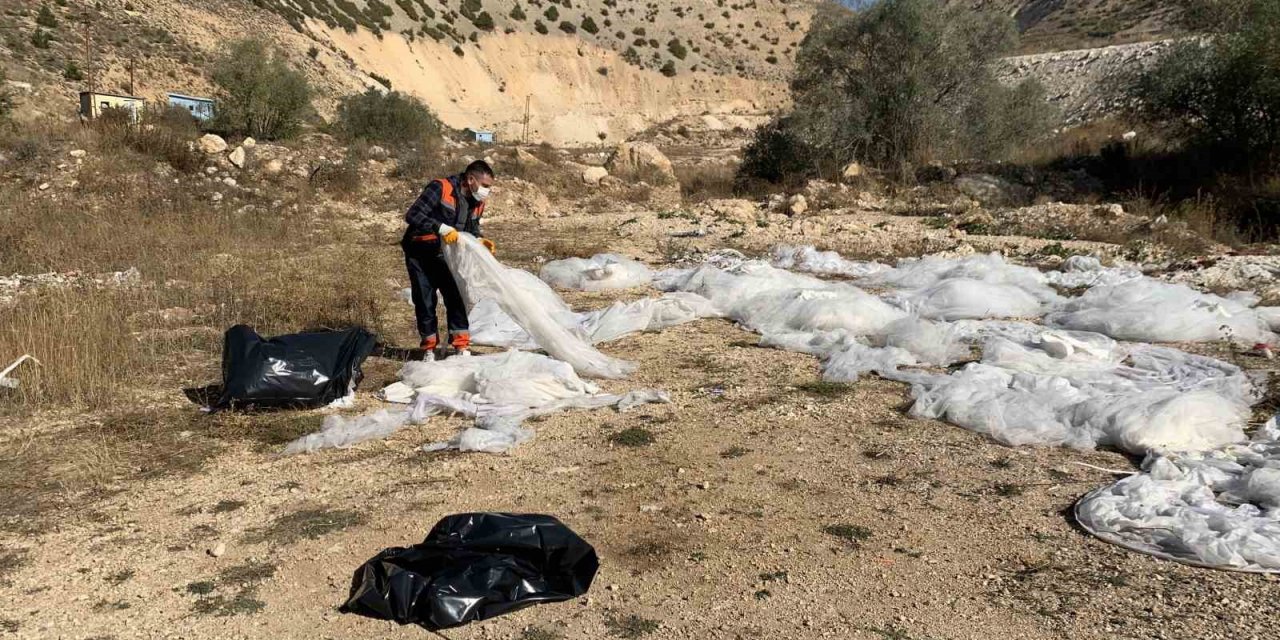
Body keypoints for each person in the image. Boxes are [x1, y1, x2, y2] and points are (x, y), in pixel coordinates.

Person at [402, 160, 496, 360]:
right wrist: (440, 228)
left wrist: (479, 240)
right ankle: (429, 349)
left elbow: (471, 228)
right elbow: (413, 215)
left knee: (456, 297)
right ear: (471, 179)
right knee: (425, 300)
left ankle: (461, 346)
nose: (487, 191)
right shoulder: (441, 187)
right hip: (421, 253)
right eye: (485, 186)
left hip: (449, 256)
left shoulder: (478, 202)